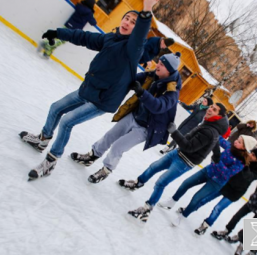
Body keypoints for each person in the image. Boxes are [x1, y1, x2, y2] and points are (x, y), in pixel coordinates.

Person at [19, 0, 160, 181]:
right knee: (55, 108)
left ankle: (51, 161)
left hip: (102, 100)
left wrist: (147, 10)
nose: (127, 23)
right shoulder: (110, 38)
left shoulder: (133, 49)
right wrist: (58, 32)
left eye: (133, 22)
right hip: (88, 89)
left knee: (68, 121)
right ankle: (42, 141)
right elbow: (84, 37)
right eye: (126, 18)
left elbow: (141, 34)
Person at [69, 52, 182, 183]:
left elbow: (158, 106)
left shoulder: (172, 92)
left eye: (162, 65)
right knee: (109, 136)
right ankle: (92, 156)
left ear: (169, 70)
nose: (158, 66)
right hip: (134, 116)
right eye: (159, 63)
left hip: (146, 128)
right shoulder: (153, 75)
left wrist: (141, 92)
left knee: (118, 146)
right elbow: (132, 79)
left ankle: (106, 170)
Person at [120, 103, 229, 223]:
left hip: (184, 162)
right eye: (211, 106)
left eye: (214, 110)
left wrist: (174, 132)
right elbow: (215, 143)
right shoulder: (210, 124)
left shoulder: (210, 130)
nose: (210, 109)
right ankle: (138, 183)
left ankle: (147, 209)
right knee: (153, 167)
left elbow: (189, 147)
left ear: (219, 116)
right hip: (177, 153)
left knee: (161, 182)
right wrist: (217, 156)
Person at [157, 135, 257, 227]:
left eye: (239, 142)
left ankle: (182, 217)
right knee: (186, 183)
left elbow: (227, 174)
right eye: (237, 139)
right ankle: (172, 201)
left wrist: (217, 161)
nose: (236, 142)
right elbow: (218, 138)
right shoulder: (230, 147)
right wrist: (214, 128)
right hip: (208, 171)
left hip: (216, 182)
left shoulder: (241, 162)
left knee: (196, 198)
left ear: (245, 147)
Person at [192, 148, 257, 235]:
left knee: (218, 208)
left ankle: (204, 226)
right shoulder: (243, 158)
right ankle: (189, 209)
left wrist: (246, 165)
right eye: (251, 153)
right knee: (206, 198)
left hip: (235, 192)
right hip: (226, 184)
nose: (250, 155)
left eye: (253, 155)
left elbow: (247, 177)